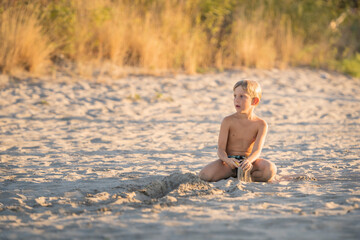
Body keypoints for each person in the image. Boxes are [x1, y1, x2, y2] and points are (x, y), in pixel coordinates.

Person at [199, 80, 276, 182]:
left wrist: (248, 161)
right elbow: (221, 150)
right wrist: (227, 160)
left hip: (248, 163)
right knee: (204, 175)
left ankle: (246, 176)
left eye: (242, 96)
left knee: (270, 170)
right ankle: (233, 174)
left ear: (254, 101)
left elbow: (257, 151)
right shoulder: (227, 121)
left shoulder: (261, 124)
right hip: (229, 163)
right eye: (235, 96)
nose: (236, 100)